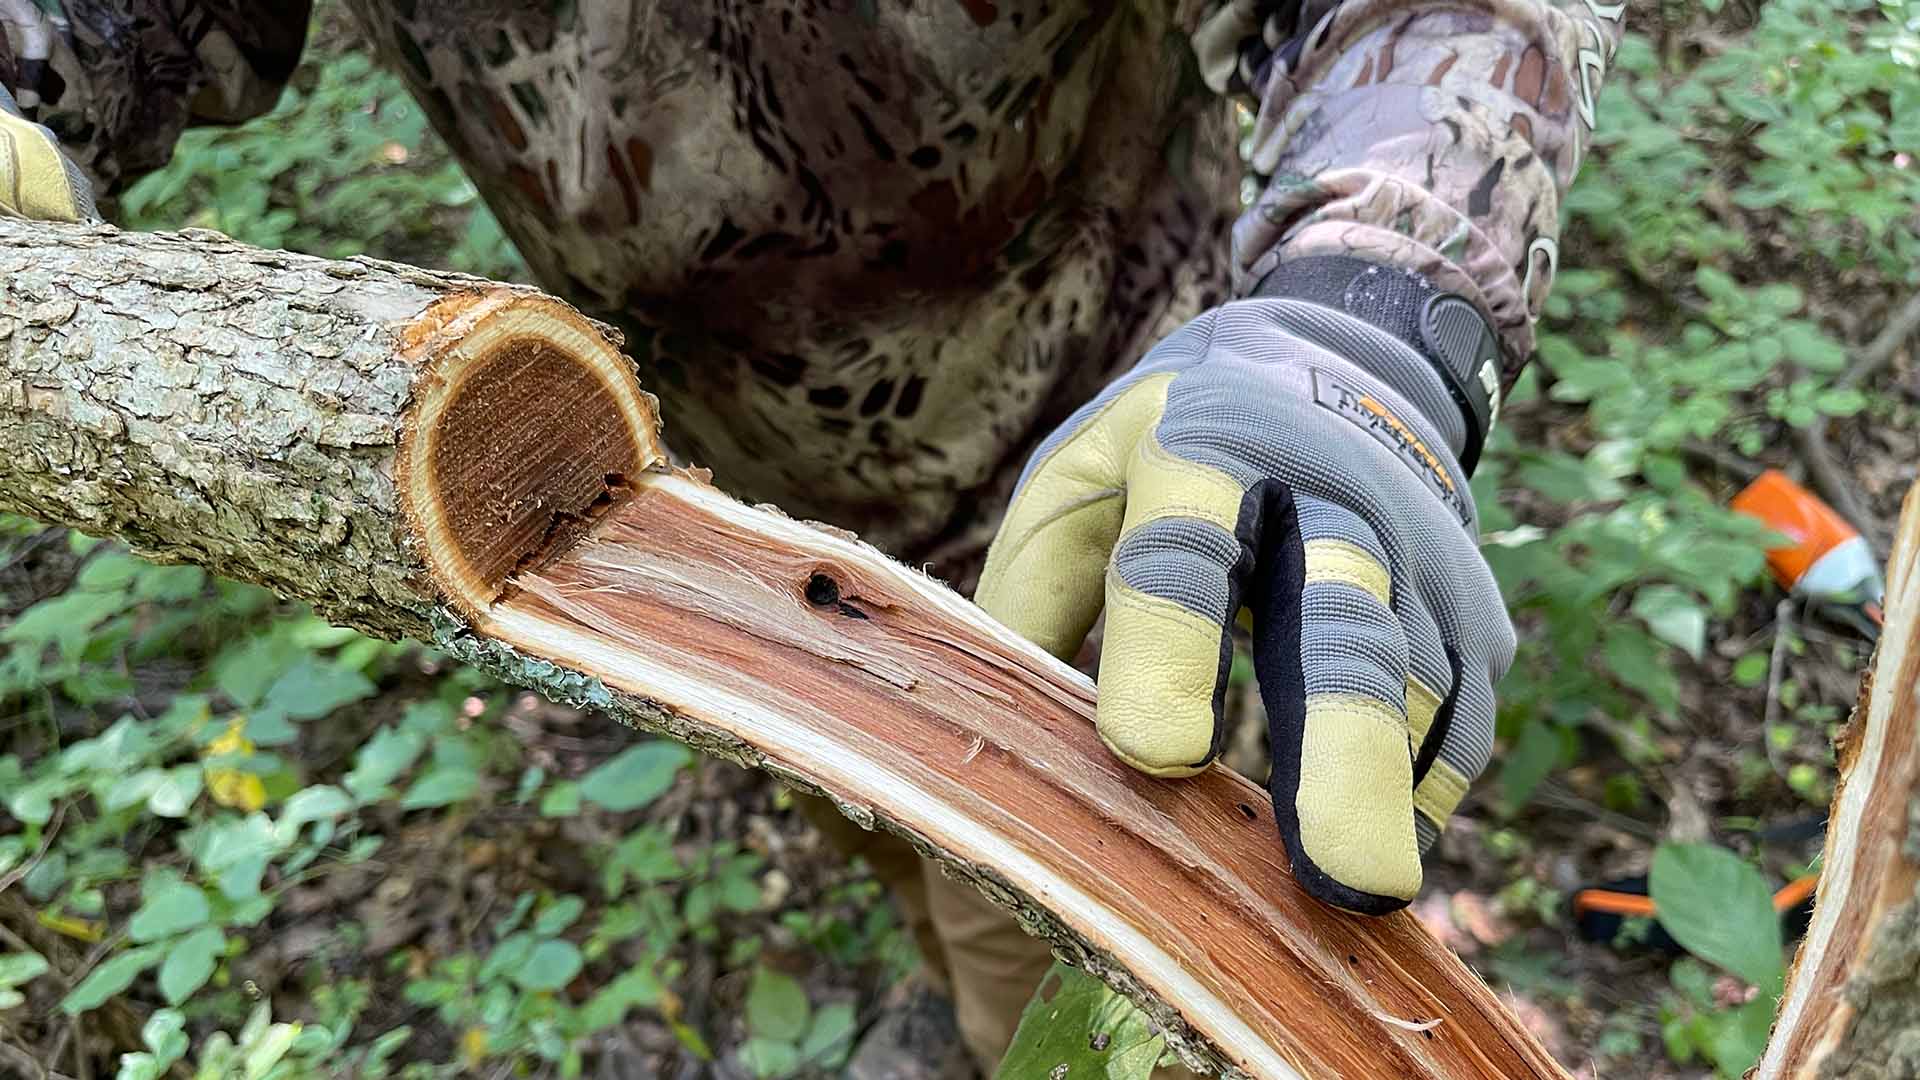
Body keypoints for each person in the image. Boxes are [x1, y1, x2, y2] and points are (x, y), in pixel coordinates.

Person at [1, 0, 1626, 1072]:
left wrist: (1371, 310)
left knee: (1102, 911)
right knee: (881, 816)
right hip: (723, 510)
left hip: (1132, 477)